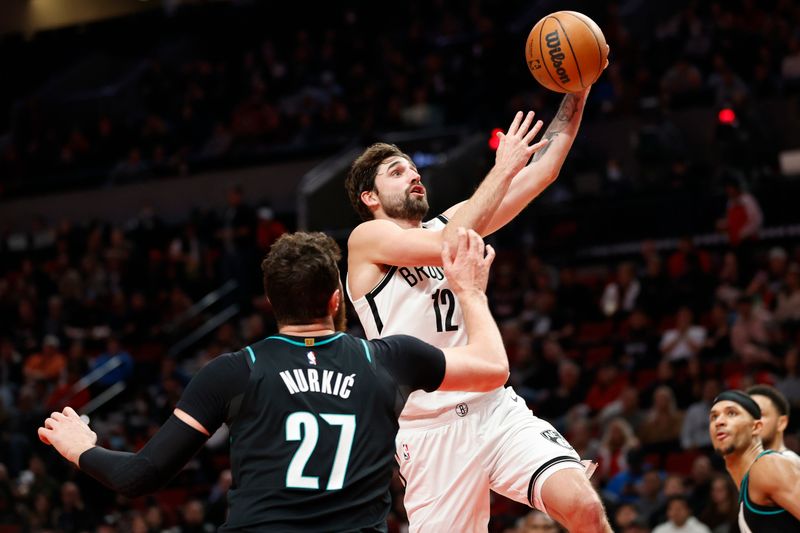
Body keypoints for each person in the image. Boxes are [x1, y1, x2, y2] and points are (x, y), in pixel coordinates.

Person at [38, 229, 510, 532]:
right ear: (333, 299)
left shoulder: (233, 370)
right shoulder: (390, 359)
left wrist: (80, 446)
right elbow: (493, 368)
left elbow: (138, 477)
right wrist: (470, 291)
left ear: (270, 301)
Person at [345, 90, 609, 531]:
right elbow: (445, 247)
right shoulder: (366, 241)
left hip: (494, 408)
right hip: (430, 431)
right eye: (396, 172)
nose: (412, 175)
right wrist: (502, 168)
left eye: (413, 169)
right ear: (370, 198)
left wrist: (576, 96)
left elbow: (544, 171)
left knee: (582, 505)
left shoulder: (450, 225)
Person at [708, 390, 800, 531]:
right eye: (714, 416)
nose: (719, 422)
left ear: (756, 427)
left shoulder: (768, 466)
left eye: (731, 413)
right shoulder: (749, 482)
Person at [747, 384, 800, 465]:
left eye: (759, 415)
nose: (751, 421)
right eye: (747, 415)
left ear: (781, 423)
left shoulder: (790, 463)